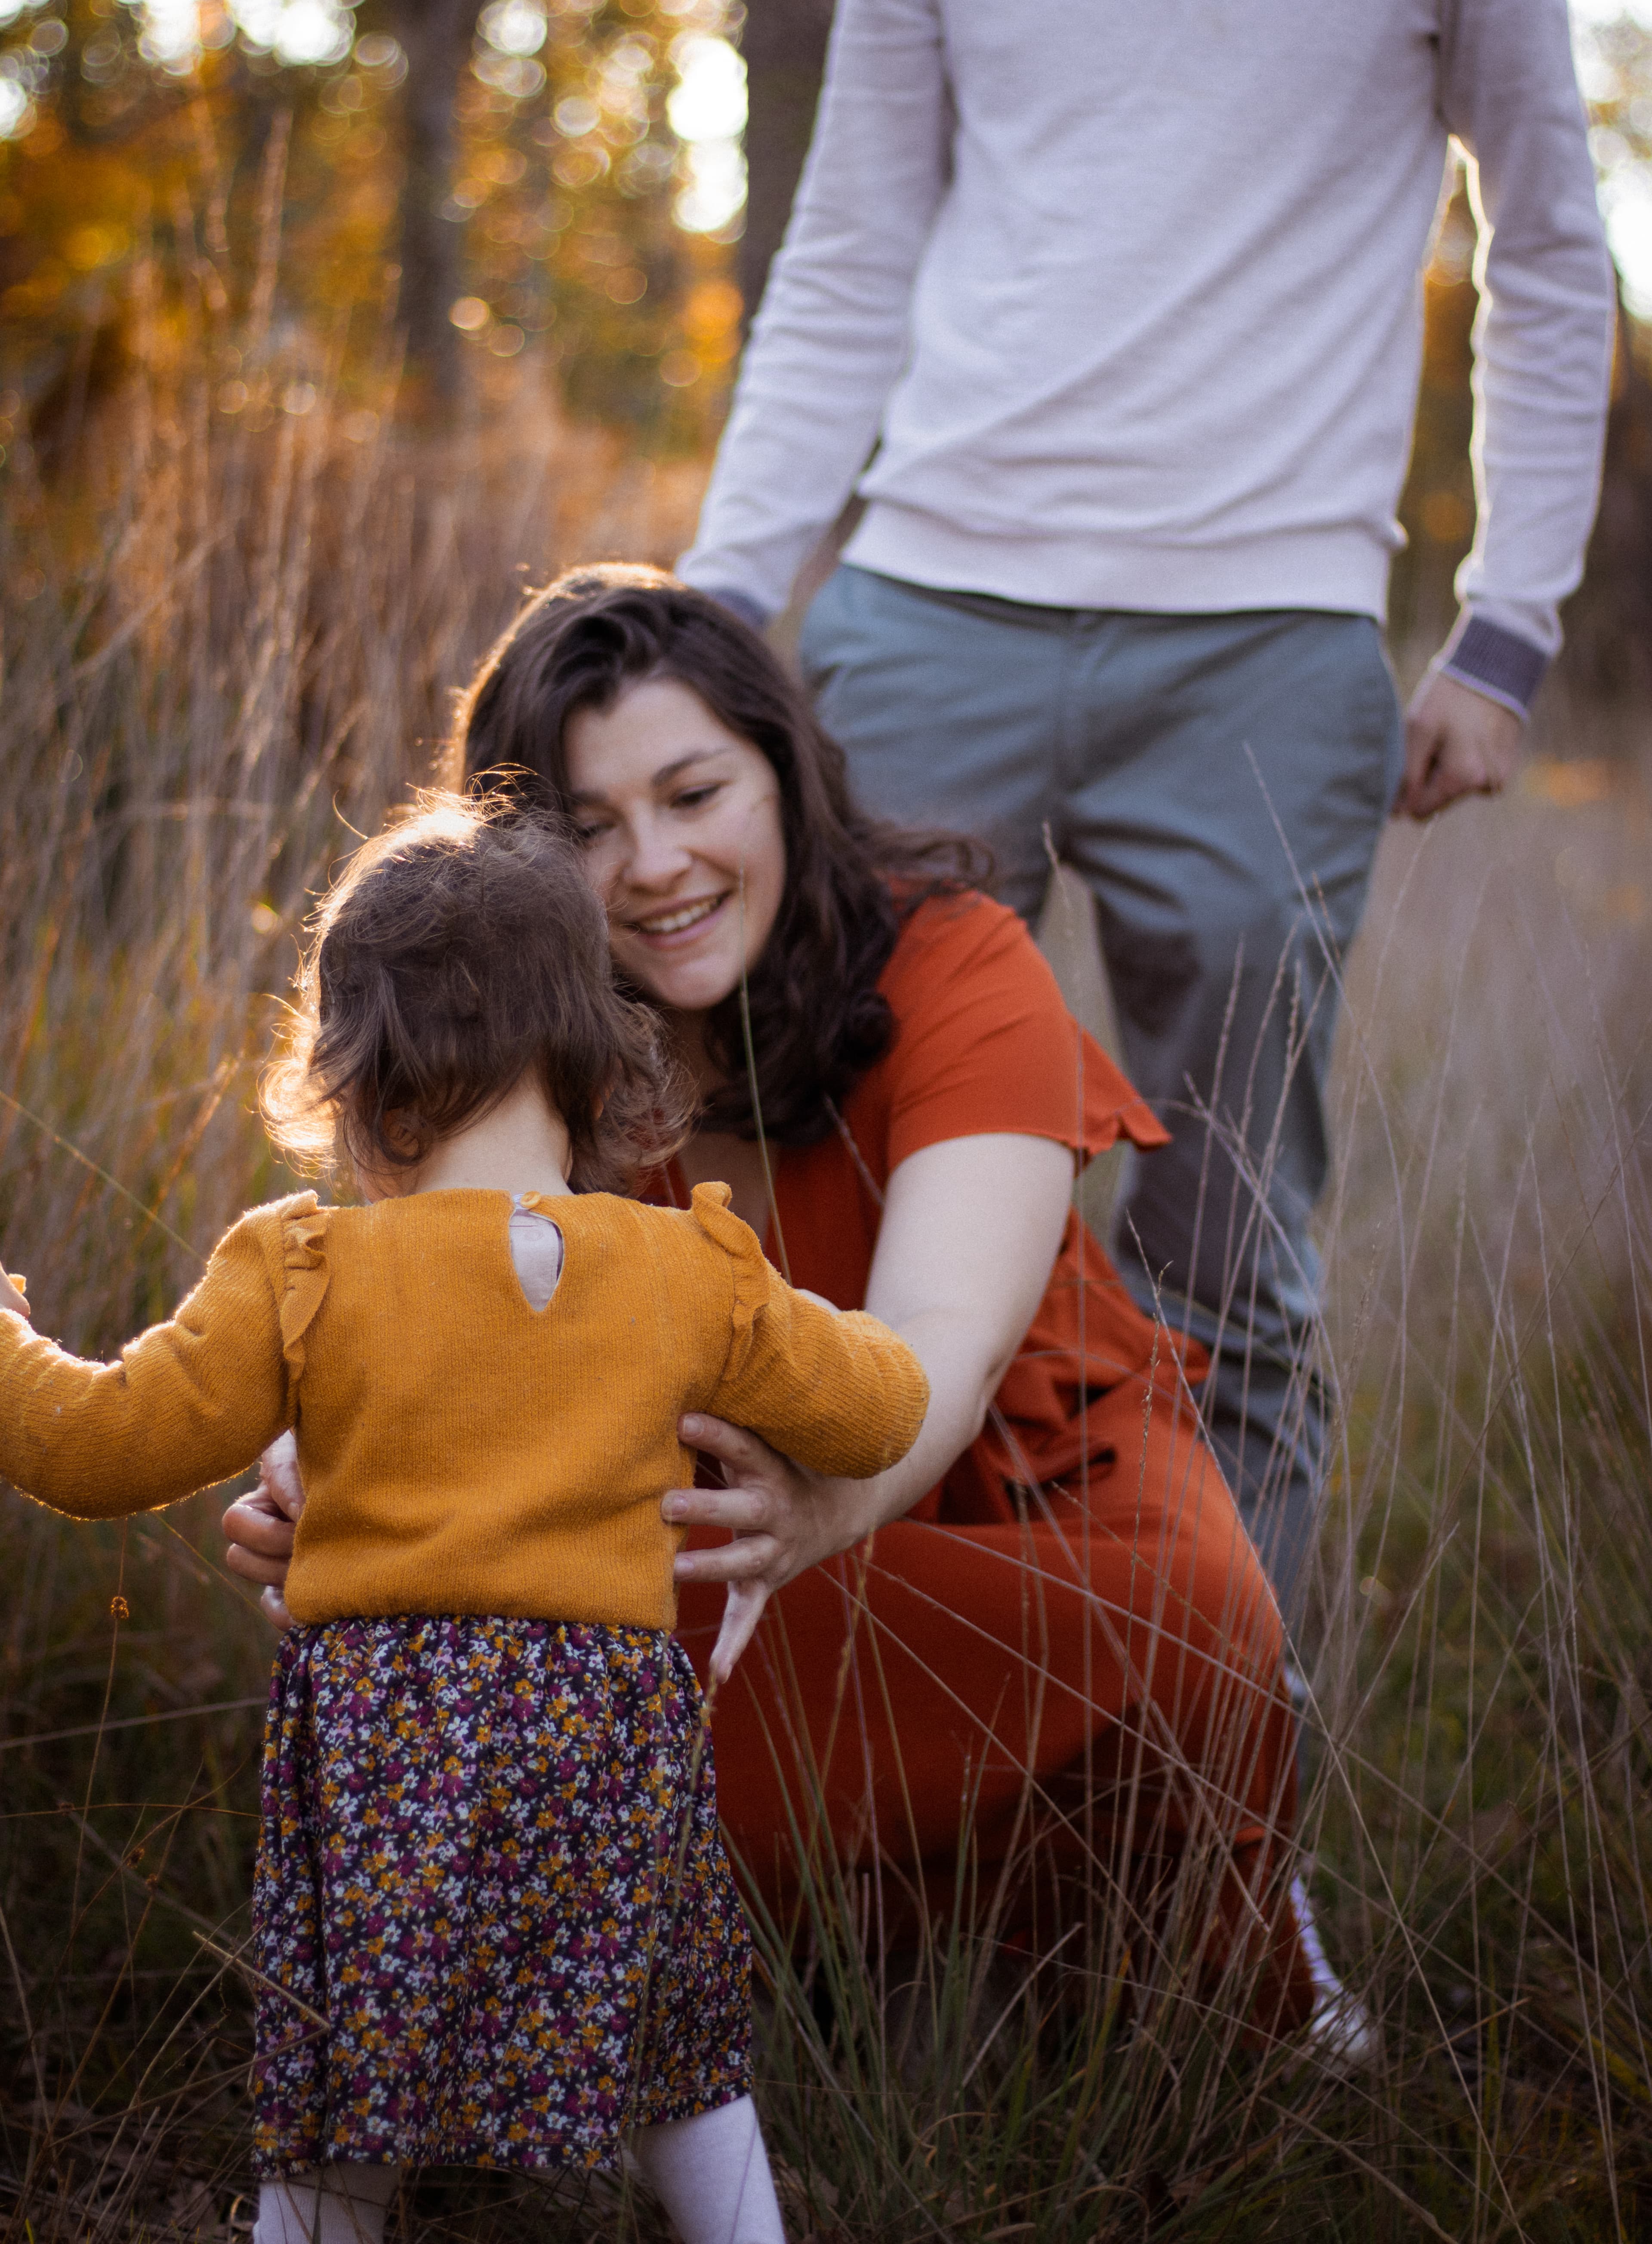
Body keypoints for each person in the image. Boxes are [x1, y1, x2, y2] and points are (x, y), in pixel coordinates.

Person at [674, 0, 1618, 1615]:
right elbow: (855, 234)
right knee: (826, 1225)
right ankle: (849, 1781)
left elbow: (1553, 238)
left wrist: (1507, 627)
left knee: (1232, 1268)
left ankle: (1223, 1840)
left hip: (1268, 644)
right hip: (929, 605)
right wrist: (718, 603)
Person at [226, 571, 1321, 2035]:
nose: (659, 864)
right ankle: (681, 1995)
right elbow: (424, 1326)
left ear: (785, 778)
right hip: (722, 1513)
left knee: (1196, 1617)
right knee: (513, 1623)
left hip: (1018, 1472)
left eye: (694, 794)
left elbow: (947, 1336)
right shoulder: (507, 1042)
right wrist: (332, 1474)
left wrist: (832, 1514)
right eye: (591, 829)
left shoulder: (957, 960)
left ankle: (1151, 1965)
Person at [0, 795, 929, 2244]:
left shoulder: (303, 1271)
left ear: (362, 1077)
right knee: (677, 2056)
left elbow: (98, 1444)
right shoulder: (687, 1271)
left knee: (348, 2092)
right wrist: (805, 1343)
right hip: (606, 1742)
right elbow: (879, 1411)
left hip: (391, 1756)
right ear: (589, 1052)